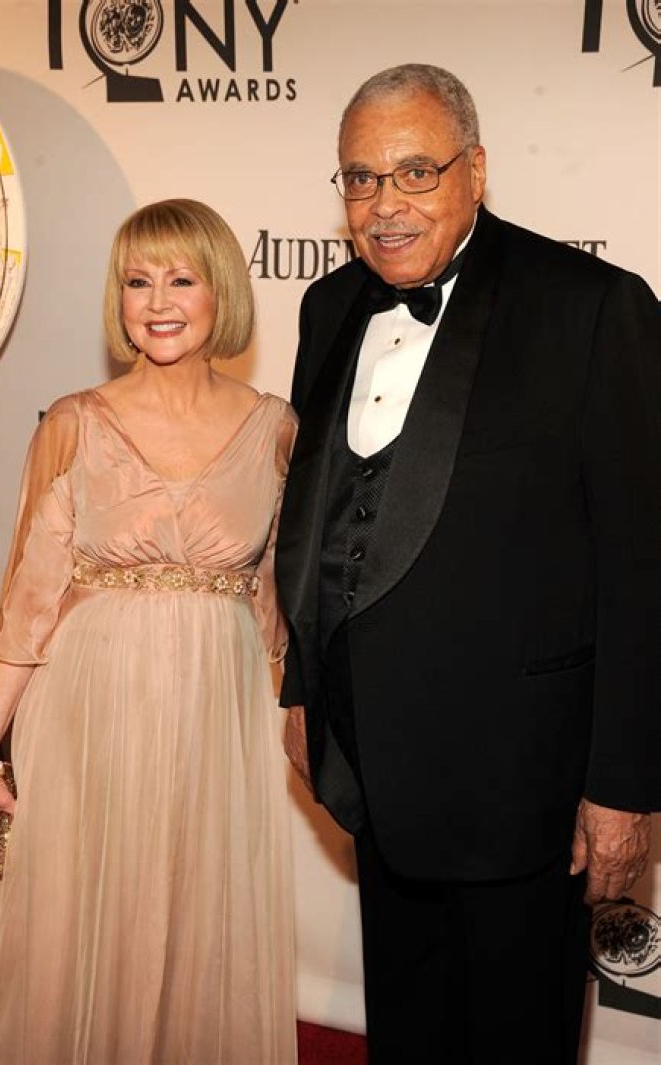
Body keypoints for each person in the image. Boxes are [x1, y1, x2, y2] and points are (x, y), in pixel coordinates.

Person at [275, 63, 660, 1064]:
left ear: (475, 171)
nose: (385, 204)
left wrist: (624, 786)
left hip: (524, 784)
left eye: (416, 172)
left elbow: (641, 565)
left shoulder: (590, 307)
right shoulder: (327, 307)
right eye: (361, 178)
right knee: (409, 1034)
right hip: (373, 770)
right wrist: (302, 687)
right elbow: (315, 520)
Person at [0, 198, 298, 1065]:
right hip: (87, 711)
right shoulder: (74, 421)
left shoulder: (275, 428)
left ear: (221, 291)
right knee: (74, 926)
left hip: (216, 723)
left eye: (181, 279)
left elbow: (276, 607)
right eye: (137, 281)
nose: (158, 302)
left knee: (198, 930)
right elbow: (29, 603)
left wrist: (304, 728)